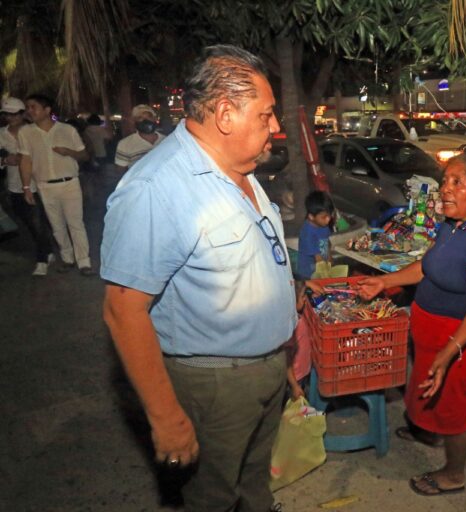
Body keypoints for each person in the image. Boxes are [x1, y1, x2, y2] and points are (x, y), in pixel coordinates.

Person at [101, 45, 294, 512]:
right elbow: (123, 310)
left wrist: (277, 350)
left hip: (264, 372)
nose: (276, 128)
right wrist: (166, 417)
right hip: (214, 386)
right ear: (225, 114)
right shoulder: (158, 187)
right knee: (212, 498)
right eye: (267, 115)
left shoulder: (239, 170)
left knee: (253, 486)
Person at [357, 153, 466, 496]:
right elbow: (426, 267)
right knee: (424, 386)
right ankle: (424, 428)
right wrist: (385, 282)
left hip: (462, 341)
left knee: (454, 407)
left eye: (458, 182)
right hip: (432, 333)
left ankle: (453, 473)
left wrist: (448, 352)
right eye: (445, 181)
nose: (446, 189)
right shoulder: (452, 224)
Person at [18, 94, 94, 276]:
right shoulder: (25, 132)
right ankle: (67, 258)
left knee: (75, 223)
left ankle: (84, 261)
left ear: (47, 110)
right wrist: (26, 187)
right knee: (57, 225)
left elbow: (84, 155)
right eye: (28, 107)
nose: (29, 111)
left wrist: (69, 152)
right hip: (44, 185)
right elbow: (25, 160)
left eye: (33, 107)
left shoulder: (67, 130)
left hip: (69, 182)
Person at [0, 96, 55, 275]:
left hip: (39, 183)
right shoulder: (2, 134)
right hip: (15, 185)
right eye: (7, 114)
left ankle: (41, 260)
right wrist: (5, 160)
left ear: (23, 114)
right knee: (28, 222)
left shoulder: (35, 131)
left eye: (14, 114)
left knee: (39, 221)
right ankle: (47, 249)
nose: (11, 118)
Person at [114, 104, 165, 171]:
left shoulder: (166, 140)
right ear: (134, 121)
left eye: (149, 116)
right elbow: (120, 171)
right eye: (140, 118)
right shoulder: (125, 144)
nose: (145, 120)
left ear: (154, 118)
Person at [297, 190, 334, 280]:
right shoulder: (307, 233)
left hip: (321, 266)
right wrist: (326, 273)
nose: (328, 219)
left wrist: (329, 257)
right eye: (324, 217)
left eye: (329, 215)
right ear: (311, 217)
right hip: (308, 273)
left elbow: (327, 242)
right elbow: (318, 259)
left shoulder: (323, 225)